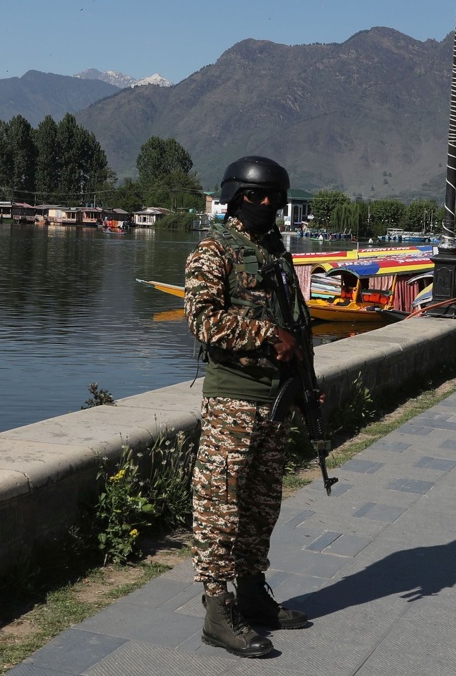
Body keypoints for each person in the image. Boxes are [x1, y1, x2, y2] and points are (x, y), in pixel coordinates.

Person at [183, 155, 311, 658]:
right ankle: (217, 609)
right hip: (234, 399)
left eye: (275, 198)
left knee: (262, 504)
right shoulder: (213, 252)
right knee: (220, 505)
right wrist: (264, 334)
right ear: (237, 196)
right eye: (259, 197)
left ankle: (254, 593)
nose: (269, 206)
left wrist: (307, 381)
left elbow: (296, 324)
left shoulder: (276, 251)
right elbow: (203, 321)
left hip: (275, 400)